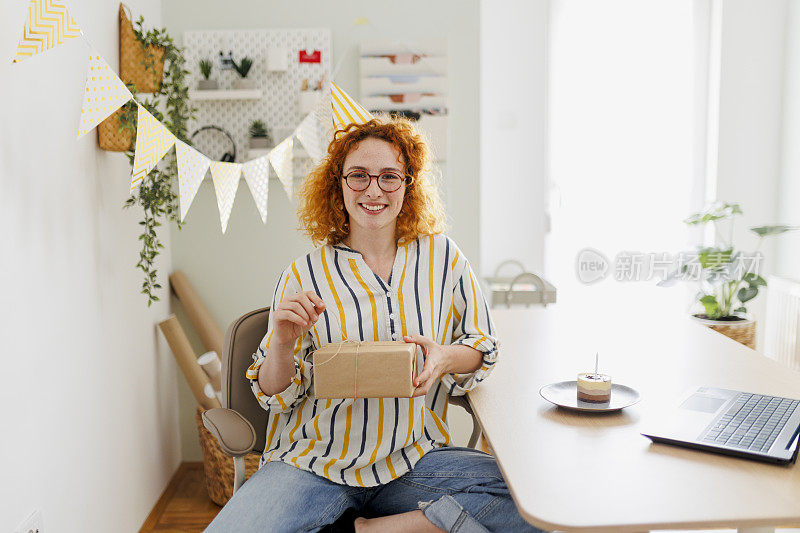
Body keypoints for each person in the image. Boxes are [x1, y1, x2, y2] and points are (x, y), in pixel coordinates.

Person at [205, 117, 546, 533]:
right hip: (313, 463)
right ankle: (424, 524)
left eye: (389, 177)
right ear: (339, 185)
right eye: (359, 176)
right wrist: (281, 342)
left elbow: (482, 345)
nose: (373, 190)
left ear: (408, 184)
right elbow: (273, 395)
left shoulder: (443, 258)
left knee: (532, 504)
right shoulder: (303, 274)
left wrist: (444, 359)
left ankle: (381, 528)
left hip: (412, 460)